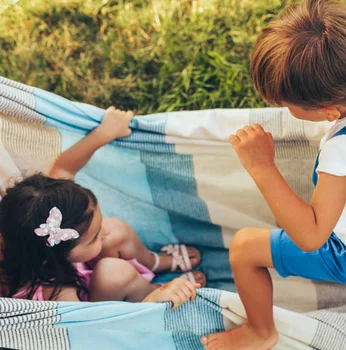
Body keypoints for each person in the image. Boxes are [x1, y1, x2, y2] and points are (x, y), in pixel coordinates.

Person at [202, 0, 346, 350]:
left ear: (330, 113)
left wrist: (262, 166)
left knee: (244, 248)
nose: (282, 110)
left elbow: (311, 235)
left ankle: (260, 331)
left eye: (287, 105)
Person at [0, 107, 205, 307]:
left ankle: (155, 262)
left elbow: (63, 168)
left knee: (115, 230)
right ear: (54, 256)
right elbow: (90, 332)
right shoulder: (59, 296)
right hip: (95, 309)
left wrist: (102, 134)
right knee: (113, 272)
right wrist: (151, 300)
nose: (103, 231)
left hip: (74, 268)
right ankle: (151, 294)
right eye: (94, 238)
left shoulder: (39, 211)